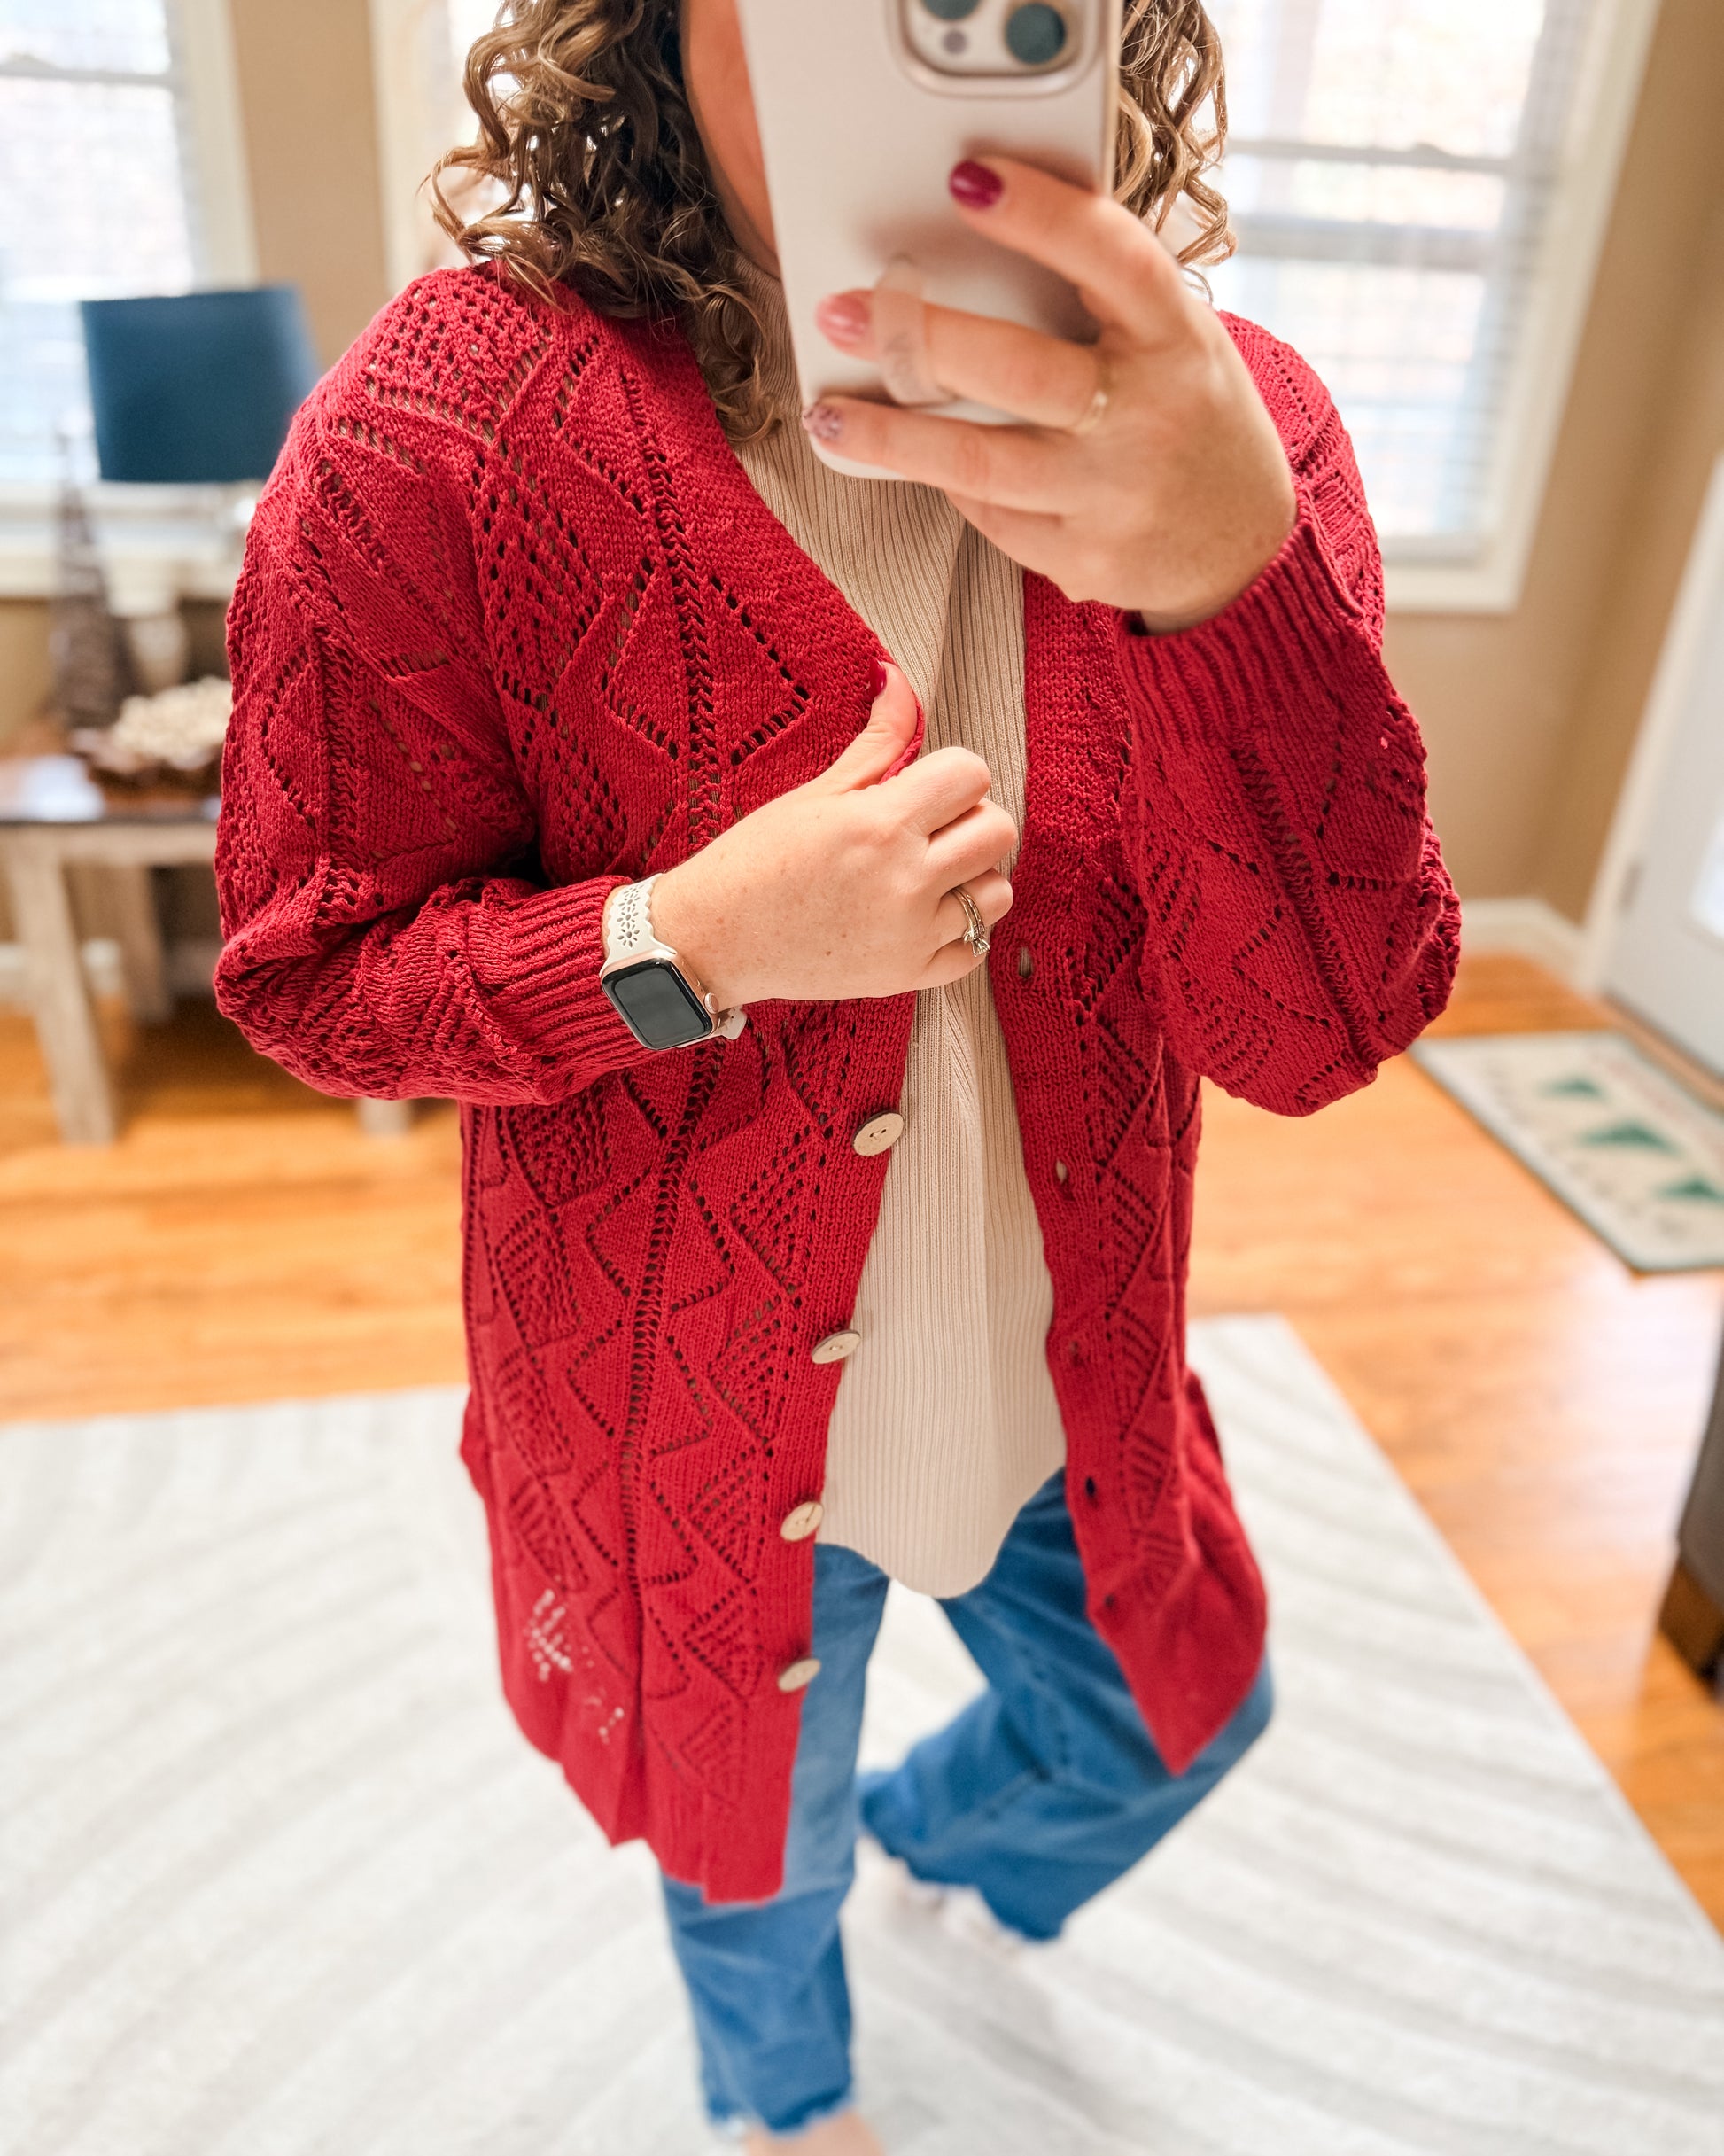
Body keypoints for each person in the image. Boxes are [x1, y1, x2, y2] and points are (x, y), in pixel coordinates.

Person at [212, 1, 1460, 2146]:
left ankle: (932, 1844)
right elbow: (314, 974)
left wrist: (1225, 588)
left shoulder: (1239, 436)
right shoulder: (447, 423)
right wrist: (687, 942)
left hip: (1067, 1380)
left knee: (1176, 1716)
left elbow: (1323, 1024)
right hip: (669, 1412)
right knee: (746, 1859)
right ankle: (784, 2102)